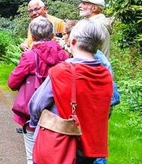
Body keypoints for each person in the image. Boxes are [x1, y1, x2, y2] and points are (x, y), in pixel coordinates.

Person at [29, 19, 113, 164]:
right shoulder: (106, 75)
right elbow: (107, 110)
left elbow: (36, 105)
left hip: (60, 143)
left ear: (73, 41)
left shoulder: (62, 72)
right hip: (90, 147)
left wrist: (35, 124)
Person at [8, 17, 69, 164]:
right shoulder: (64, 55)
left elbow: (12, 82)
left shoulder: (30, 56)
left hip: (32, 112)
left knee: (32, 155)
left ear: (33, 35)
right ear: (52, 35)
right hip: (57, 112)